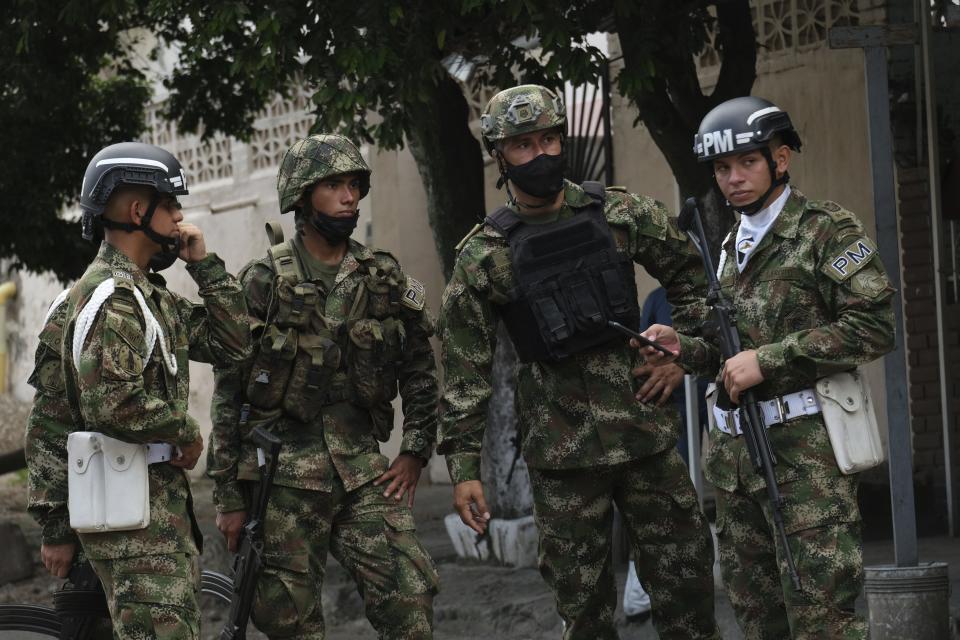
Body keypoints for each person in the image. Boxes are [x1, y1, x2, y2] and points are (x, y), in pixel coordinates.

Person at [437, 84, 720, 640]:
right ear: (499, 155)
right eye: (523, 146)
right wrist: (465, 470)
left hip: (647, 441)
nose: (541, 155)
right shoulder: (484, 255)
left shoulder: (620, 213)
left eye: (549, 139)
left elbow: (701, 287)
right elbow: (466, 370)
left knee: (688, 599)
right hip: (562, 459)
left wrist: (682, 353)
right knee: (585, 614)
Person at [640, 96, 895, 639]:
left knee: (823, 620)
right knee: (759, 621)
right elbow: (730, 355)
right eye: (722, 168)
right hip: (736, 464)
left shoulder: (825, 231)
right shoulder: (731, 242)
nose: (733, 178)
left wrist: (771, 359)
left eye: (747, 162)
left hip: (805, 462)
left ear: (781, 160)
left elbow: (874, 326)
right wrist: (683, 348)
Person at [207, 133, 440, 639]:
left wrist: (416, 450)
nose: (349, 196)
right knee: (290, 624)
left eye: (355, 184)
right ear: (301, 194)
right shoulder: (261, 281)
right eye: (333, 184)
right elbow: (229, 392)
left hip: (363, 475)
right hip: (282, 483)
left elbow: (420, 366)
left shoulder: (382, 276)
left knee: (410, 597)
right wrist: (228, 495)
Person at [60, 141, 252, 638]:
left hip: (154, 515)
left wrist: (203, 265)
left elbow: (234, 345)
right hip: (134, 529)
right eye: (171, 206)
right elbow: (113, 402)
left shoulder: (147, 297)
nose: (181, 219)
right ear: (138, 210)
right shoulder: (114, 299)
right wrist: (187, 431)